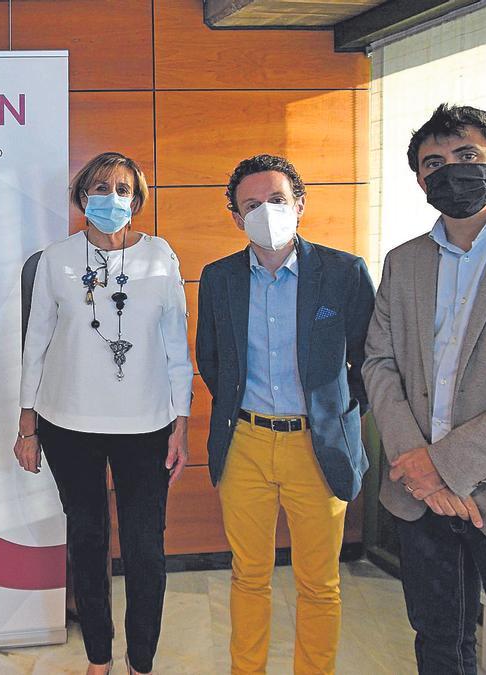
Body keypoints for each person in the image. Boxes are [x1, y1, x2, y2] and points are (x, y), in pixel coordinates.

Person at [363, 103, 486, 673]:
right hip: (419, 497)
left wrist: (445, 465)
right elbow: (379, 363)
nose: (450, 169)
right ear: (421, 180)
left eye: (467, 156)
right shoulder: (404, 261)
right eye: (434, 162)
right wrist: (418, 467)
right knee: (439, 647)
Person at [195, 154, 374, 674]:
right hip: (245, 443)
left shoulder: (343, 273)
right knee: (248, 576)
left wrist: (338, 417)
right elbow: (213, 359)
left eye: (276, 200)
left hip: (318, 447)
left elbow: (369, 360)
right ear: (235, 216)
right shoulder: (219, 277)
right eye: (252, 204)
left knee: (319, 583)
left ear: (299, 205)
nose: (266, 211)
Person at [15, 152, 192, 675]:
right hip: (68, 425)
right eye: (99, 187)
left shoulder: (161, 256)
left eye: (121, 188)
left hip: (147, 427)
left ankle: (141, 661)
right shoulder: (56, 259)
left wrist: (181, 423)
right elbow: (37, 342)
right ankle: (98, 656)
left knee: (145, 551)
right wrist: (27, 423)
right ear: (81, 196)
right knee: (87, 543)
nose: (110, 197)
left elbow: (176, 347)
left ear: (135, 200)